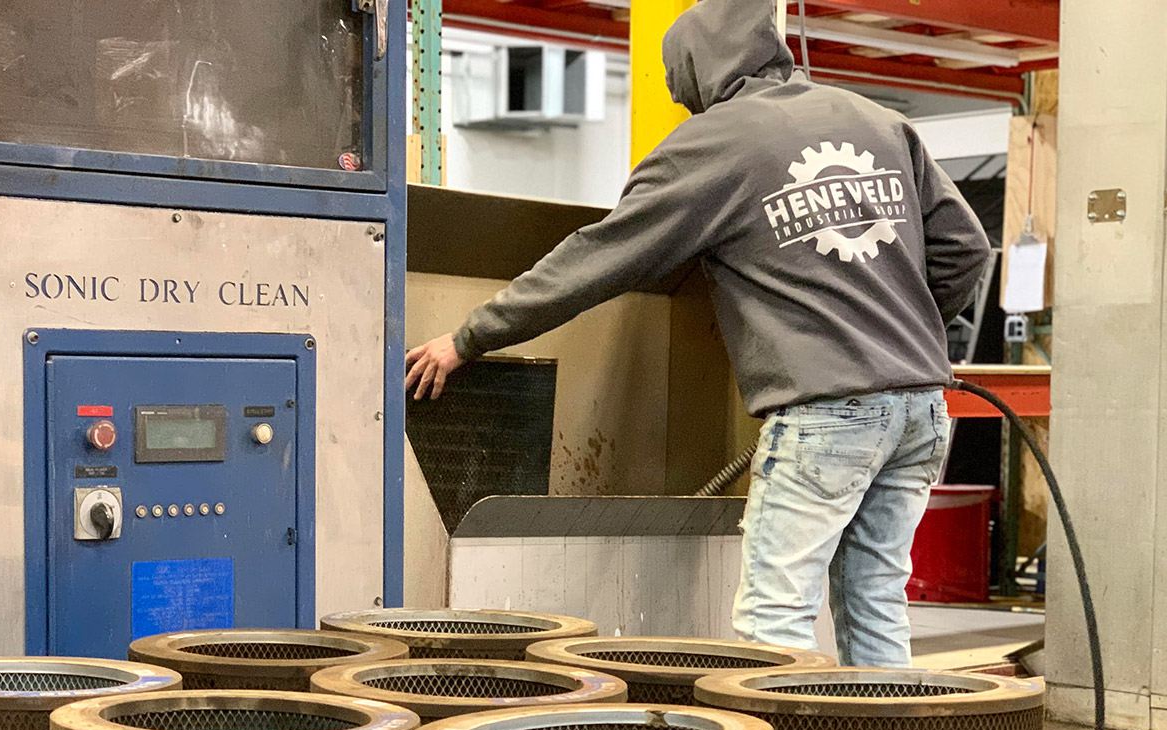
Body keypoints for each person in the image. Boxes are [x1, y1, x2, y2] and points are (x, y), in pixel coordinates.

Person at [403, 0, 991, 667]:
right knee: (875, 600)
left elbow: (595, 259)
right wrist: (902, 335)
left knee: (774, 618)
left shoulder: (714, 144)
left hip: (828, 417)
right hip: (923, 410)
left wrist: (470, 337)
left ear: (696, 72)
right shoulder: (877, 121)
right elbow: (966, 250)